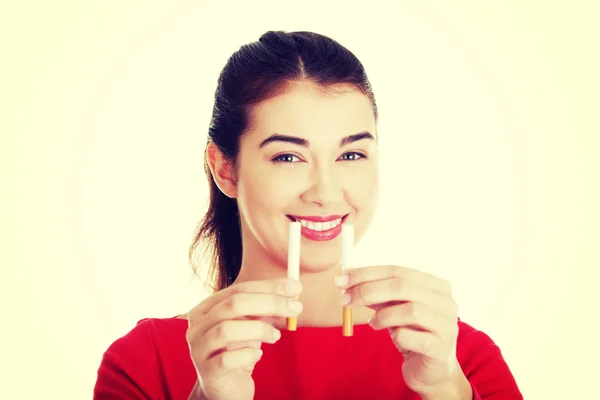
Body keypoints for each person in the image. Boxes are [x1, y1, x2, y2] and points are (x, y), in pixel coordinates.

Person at [93, 30, 523, 400]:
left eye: (351, 154)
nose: (325, 192)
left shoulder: (458, 356)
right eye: (288, 157)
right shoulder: (144, 363)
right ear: (226, 169)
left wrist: (448, 389)